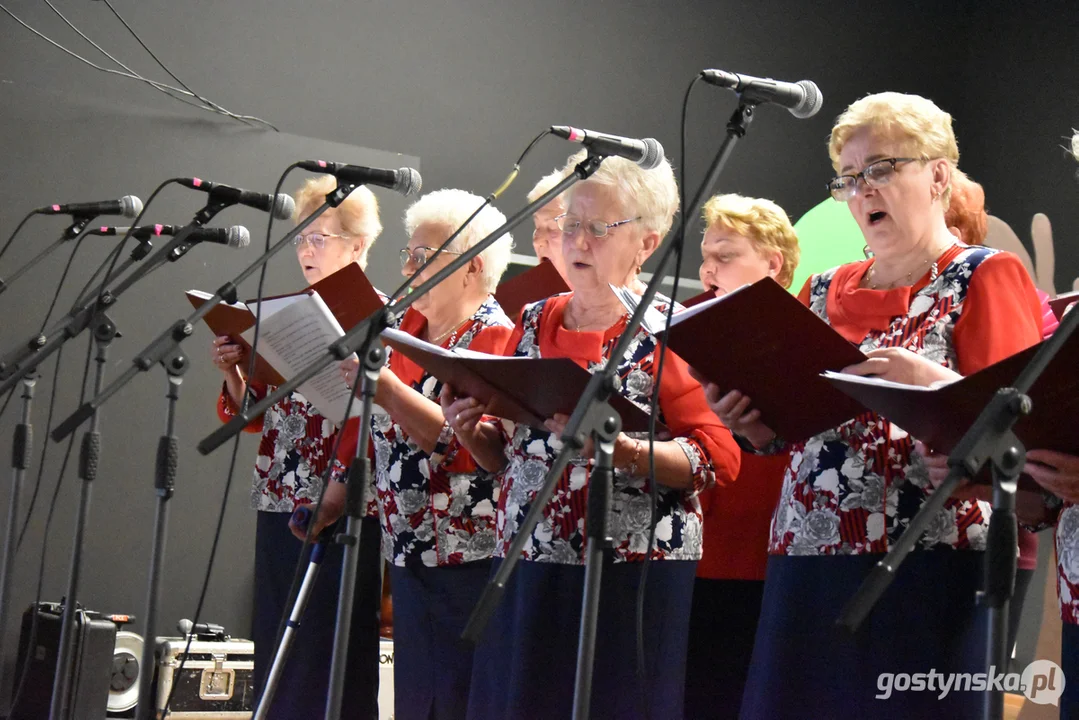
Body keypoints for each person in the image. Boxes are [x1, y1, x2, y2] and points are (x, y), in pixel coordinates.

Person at [704, 92, 1043, 718]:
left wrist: (930, 379)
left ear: (939, 174)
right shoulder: (823, 286)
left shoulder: (983, 274)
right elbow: (786, 428)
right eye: (850, 178)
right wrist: (751, 420)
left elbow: (1021, 426)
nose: (863, 191)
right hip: (805, 555)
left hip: (927, 563)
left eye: (881, 169)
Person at [443, 153, 742, 719]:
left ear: (647, 243)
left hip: (631, 571)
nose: (577, 241)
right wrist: (473, 431)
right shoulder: (532, 320)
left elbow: (717, 458)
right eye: (569, 225)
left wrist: (621, 451)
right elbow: (505, 455)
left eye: (599, 229)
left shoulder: (671, 331)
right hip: (527, 557)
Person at [334, 188, 515, 720]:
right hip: (409, 554)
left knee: (459, 701)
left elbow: (462, 447)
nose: (409, 268)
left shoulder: (497, 338)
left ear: (470, 266)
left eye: (424, 256)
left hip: (468, 560)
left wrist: (386, 389)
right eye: (407, 254)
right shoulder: (405, 333)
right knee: (416, 703)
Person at [211, 174, 383, 718]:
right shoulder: (287, 309)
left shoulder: (379, 313)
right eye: (302, 238)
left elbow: (380, 414)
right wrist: (236, 369)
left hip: (341, 500)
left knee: (327, 644)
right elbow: (253, 414)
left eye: (321, 238)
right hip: (279, 492)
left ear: (358, 246)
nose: (306, 250)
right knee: (275, 636)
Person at [684, 193, 800, 720]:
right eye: (706, 255)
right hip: (692, 547)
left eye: (725, 255)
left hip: (768, 553)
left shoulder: (805, 329)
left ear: (772, 264)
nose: (708, 268)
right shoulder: (681, 326)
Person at [527, 165, 570, 282]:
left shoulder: (614, 298)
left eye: (552, 228)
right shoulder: (520, 298)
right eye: (537, 226)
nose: (537, 242)